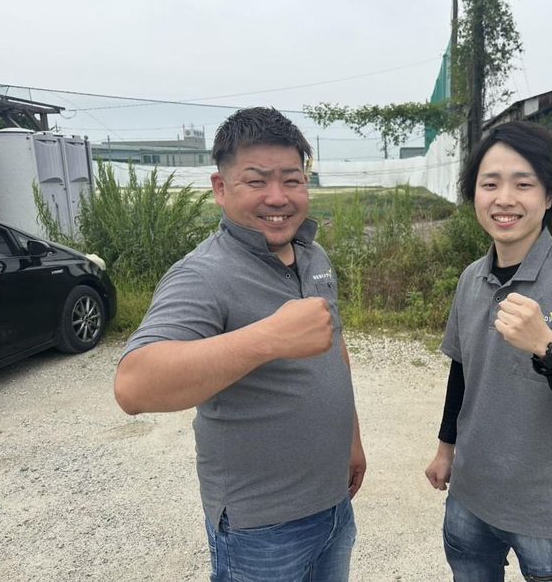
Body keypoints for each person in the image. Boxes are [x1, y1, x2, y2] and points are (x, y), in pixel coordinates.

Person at [114, 107, 365, 582]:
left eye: (292, 180)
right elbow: (134, 385)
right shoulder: (202, 275)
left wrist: (351, 441)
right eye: (257, 181)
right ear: (220, 187)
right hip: (260, 529)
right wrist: (267, 338)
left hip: (334, 504)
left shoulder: (313, 255)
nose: (278, 197)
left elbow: (334, 351)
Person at [425, 121, 552, 582]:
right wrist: (445, 450)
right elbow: (462, 372)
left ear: (549, 195)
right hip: (470, 499)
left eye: (523, 184)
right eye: (490, 184)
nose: (504, 199)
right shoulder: (471, 278)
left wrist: (549, 347)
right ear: (474, 194)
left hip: (549, 516)